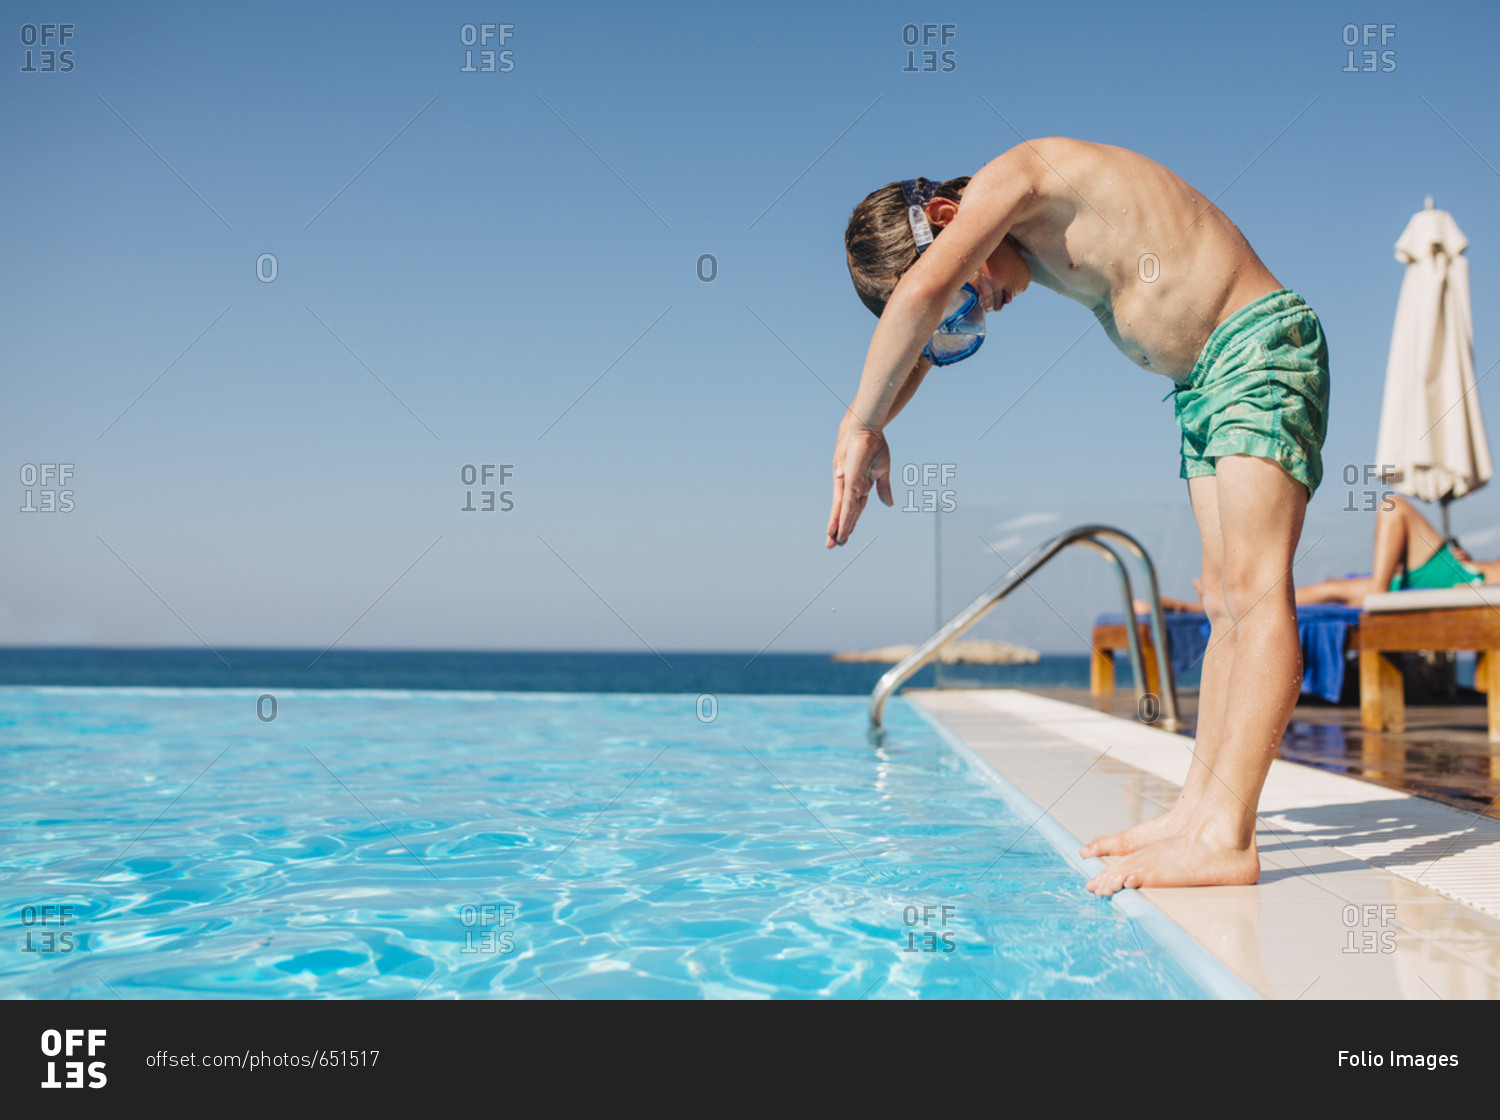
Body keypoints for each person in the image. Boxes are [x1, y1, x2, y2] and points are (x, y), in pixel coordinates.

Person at [830, 139, 1330, 897]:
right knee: (1223, 598)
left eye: (963, 301)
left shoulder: (1017, 176)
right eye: (956, 318)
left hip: (1255, 347)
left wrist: (857, 421)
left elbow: (926, 290)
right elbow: (918, 340)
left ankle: (1228, 838)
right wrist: (882, 427)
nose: (974, 313)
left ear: (946, 217)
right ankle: (1200, 814)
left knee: (1256, 593)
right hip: (1202, 386)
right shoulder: (1003, 233)